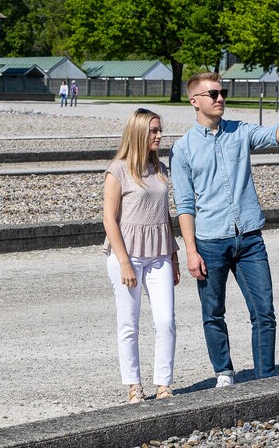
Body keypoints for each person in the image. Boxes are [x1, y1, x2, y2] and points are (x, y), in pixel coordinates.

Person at [169, 72, 279, 387]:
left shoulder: (239, 132)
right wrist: (191, 252)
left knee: (264, 310)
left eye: (223, 93)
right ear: (195, 101)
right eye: (213, 94)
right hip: (210, 241)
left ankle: (265, 377)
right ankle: (224, 372)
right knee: (213, 312)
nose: (220, 98)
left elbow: (273, 134)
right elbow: (184, 205)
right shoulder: (183, 149)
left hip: (249, 239)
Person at [103, 108, 180, 403]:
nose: (160, 135)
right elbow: (109, 219)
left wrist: (174, 258)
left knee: (166, 320)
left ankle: (164, 384)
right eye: (154, 131)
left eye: (160, 130)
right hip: (128, 255)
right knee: (129, 322)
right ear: (138, 133)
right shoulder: (118, 170)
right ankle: (133, 385)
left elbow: (165, 215)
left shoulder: (160, 169)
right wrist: (124, 262)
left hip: (159, 253)